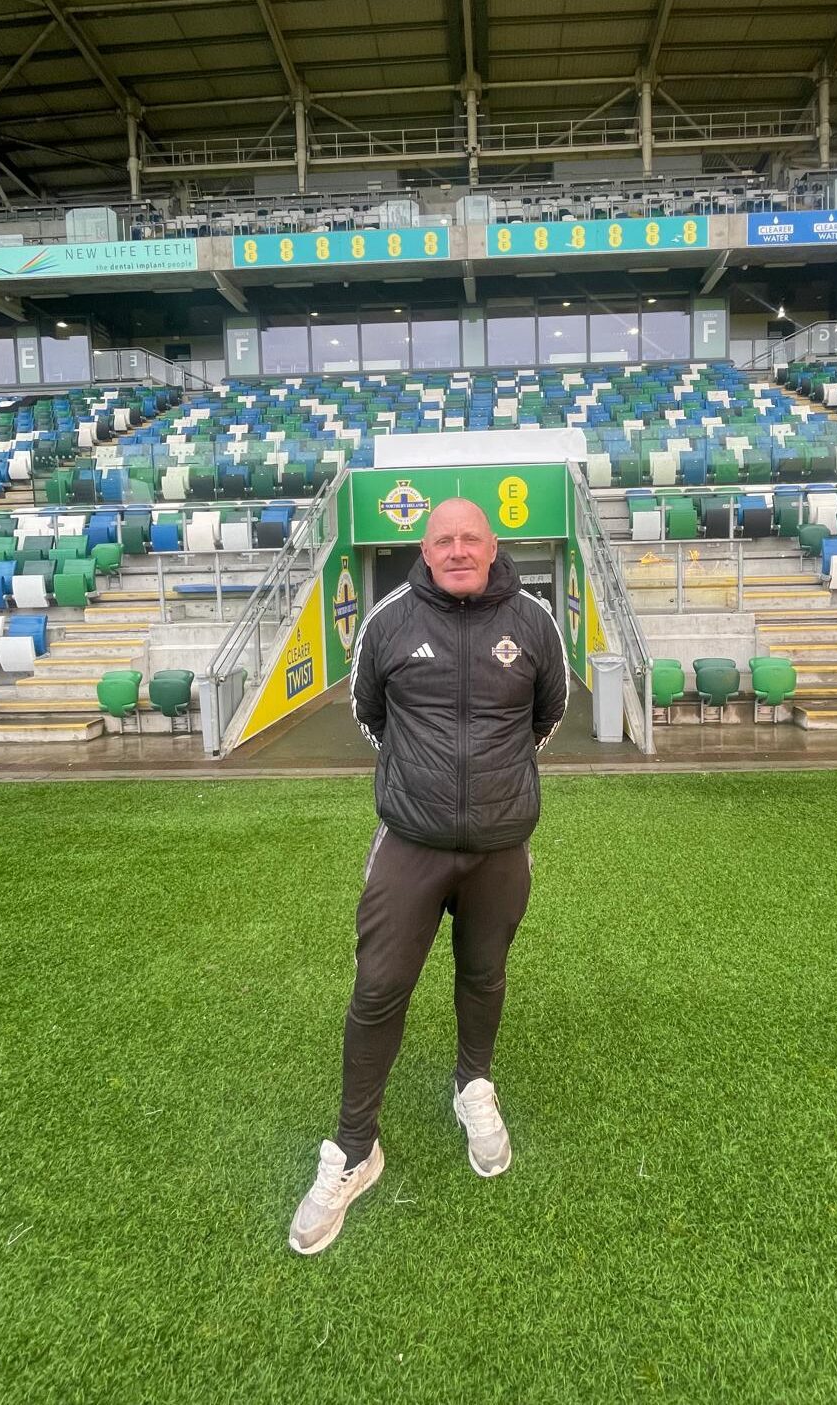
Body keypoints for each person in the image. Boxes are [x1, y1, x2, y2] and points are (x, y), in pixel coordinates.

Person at [289, 497, 569, 1255]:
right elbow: (368, 713)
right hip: (410, 841)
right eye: (443, 539)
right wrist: (423, 779)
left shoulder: (535, 622)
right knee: (379, 988)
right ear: (425, 548)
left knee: (484, 974)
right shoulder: (388, 620)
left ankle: (473, 1084)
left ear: (493, 546)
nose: (457, 550)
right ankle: (355, 1148)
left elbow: (548, 714)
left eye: (470, 538)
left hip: (501, 844)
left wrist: (496, 782)